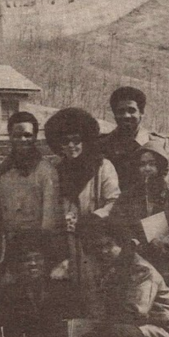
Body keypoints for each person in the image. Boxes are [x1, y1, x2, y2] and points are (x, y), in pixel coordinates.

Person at [44, 107, 120, 315]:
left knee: (100, 299)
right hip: (69, 247)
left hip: (97, 243)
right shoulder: (56, 171)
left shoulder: (102, 167)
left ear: (85, 140)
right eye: (65, 141)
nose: (71, 146)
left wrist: (93, 219)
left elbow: (114, 201)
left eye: (76, 140)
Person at [110, 139, 169, 302]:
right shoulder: (131, 194)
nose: (147, 169)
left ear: (161, 166)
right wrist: (130, 242)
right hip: (140, 269)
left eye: (152, 164)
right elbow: (117, 221)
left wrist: (154, 246)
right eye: (142, 164)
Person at [100, 86, 169, 194]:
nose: (126, 116)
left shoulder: (158, 143)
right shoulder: (103, 144)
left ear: (141, 113)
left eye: (132, 110)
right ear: (114, 115)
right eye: (121, 111)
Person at [0, 111, 62, 239]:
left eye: (27, 135)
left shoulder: (46, 171)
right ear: (9, 136)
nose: (22, 140)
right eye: (17, 135)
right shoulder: (3, 170)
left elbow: (49, 220)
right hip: (9, 242)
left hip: (34, 244)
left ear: (35, 137)